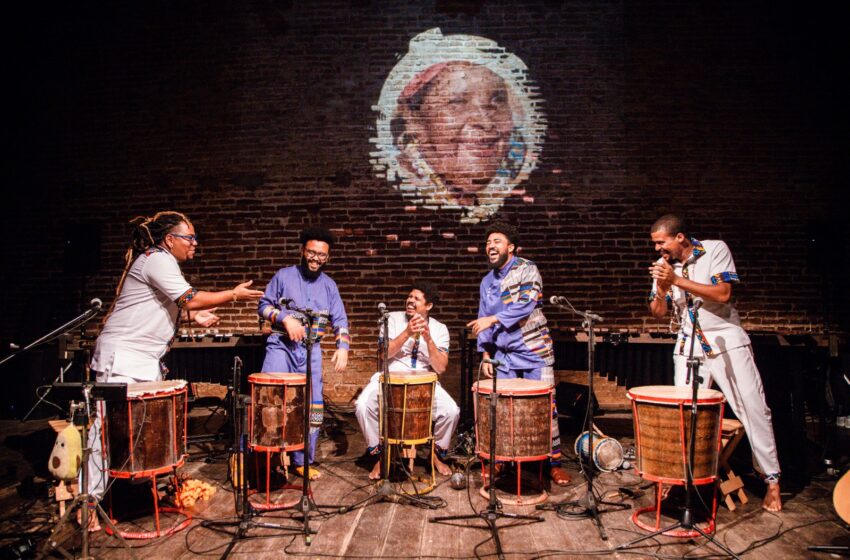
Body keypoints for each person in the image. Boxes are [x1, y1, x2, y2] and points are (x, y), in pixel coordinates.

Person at [86, 211, 264, 519]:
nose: (195, 244)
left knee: (140, 431)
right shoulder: (157, 258)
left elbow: (162, 307)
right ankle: (87, 504)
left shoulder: (162, 261)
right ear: (170, 240)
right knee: (106, 434)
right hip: (123, 358)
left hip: (143, 360)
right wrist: (233, 295)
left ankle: (132, 495)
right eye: (190, 237)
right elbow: (188, 298)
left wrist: (193, 318)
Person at [648, 214, 782, 512]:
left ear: (679, 237)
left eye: (661, 242)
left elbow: (723, 294)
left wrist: (677, 280)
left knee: (753, 407)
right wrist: (661, 287)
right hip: (688, 343)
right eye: (655, 244)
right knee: (683, 414)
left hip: (726, 340)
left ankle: (772, 479)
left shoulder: (715, 250)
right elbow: (657, 312)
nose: (658, 249)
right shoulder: (665, 268)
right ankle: (679, 477)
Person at [466, 221, 571, 487]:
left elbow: (526, 305)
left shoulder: (527, 269)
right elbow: (482, 319)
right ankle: (501, 459)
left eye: (497, 241)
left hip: (534, 349)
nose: (491, 246)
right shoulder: (487, 281)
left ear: (510, 247)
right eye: (488, 242)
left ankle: (553, 463)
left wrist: (493, 319)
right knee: (501, 408)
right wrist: (486, 353)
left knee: (546, 408)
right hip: (504, 354)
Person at [258, 227, 350, 480]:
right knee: (271, 398)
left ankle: (301, 460)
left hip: (311, 351)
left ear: (327, 258)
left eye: (321, 254)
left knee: (312, 406)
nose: (316, 258)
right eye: (311, 252)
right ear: (302, 251)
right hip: (281, 345)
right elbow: (263, 305)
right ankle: (267, 456)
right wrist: (285, 318)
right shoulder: (283, 276)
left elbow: (340, 320)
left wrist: (343, 347)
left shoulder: (330, 286)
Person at [354, 282, 460, 480]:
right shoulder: (391, 319)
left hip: (424, 381)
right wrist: (407, 333)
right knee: (362, 406)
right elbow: (383, 355)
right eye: (409, 297)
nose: (410, 301)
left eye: (416, 299)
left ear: (428, 306)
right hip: (390, 376)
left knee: (451, 411)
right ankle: (379, 456)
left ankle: (435, 456)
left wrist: (428, 340)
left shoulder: (439, 329)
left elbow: (441, 367)